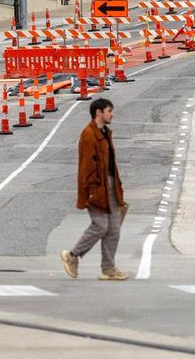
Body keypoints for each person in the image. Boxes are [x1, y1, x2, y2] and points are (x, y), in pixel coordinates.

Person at [60, 97, 128, 280]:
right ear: (99, 112)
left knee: (114, 228)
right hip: (97, 187)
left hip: (110, 184)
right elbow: (86, 167)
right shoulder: (89, 134)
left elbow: (110, 164)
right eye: (109, 111)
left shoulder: (104, 132)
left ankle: (108, 269)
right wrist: (92, 191)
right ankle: (72, 255)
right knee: (100, 225)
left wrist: (117, 189)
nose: (112, 114)